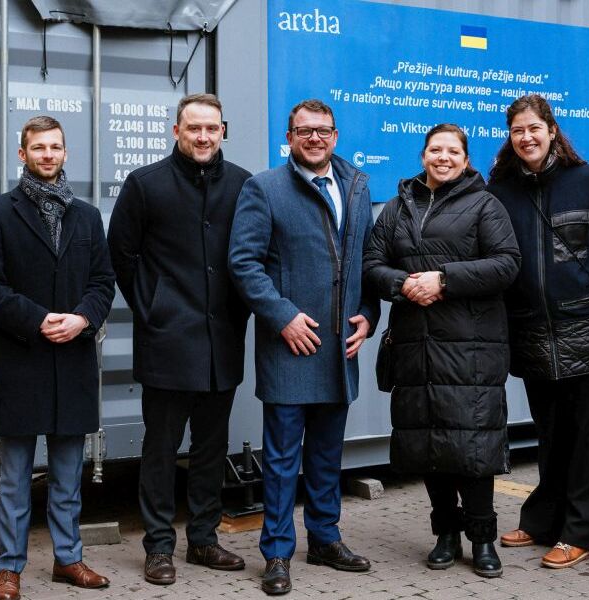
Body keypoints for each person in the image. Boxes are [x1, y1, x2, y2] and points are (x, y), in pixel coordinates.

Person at [228, 99, 380, 595]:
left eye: (323, 131)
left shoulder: (356, 185)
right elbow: (244, 264)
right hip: (290, 345)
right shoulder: (265, 188)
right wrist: (283, 317)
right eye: (304, 131)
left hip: (340, 347)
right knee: (281, 459)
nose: (314, 139)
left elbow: (366, 261)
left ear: (335, 136)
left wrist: (370, 316)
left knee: (325, 455)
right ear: (289, 137)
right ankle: (276, 552)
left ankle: (325, 538)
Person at [484, 94, 589, 570]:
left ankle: (583, 531)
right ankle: (544, 519)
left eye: (534, 128)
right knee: (551, 435)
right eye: (517, 131)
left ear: (552, 130)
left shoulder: (588, 181)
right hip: (531, 332)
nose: (526, 137)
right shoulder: (500, 190)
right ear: (510, 138)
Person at [363, 124, 521, 578]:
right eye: (436, 149)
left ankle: (484, 539)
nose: (444, 157)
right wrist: (403, 284)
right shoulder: (397, 207)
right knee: (429, 444)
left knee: (473, 446)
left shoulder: (484, 204)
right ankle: (446, 535)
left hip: (471, 347)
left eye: (453, 151)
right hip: (416, 344)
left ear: (466, 159)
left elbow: (507, 263)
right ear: (423, 154)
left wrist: (444, 280)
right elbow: (372, 264)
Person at [107, 93, 252, 585]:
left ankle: (204, 541)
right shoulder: (145, 185)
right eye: (194, 128)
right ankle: (159, 547)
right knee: (161, 448)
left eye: (212, 128)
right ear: (177, 131)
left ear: (223, 130)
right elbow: (121, 256)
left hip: (223, 341)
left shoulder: (242, 185)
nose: (204, 137)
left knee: (213, 448)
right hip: (168, 341)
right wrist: (153, 306)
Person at [0, 115, 116, 600]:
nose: (48, 154)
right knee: (14, 478)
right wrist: (38, 319)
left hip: (72, 360)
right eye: (38, 148)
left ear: (66, 153)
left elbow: (102, 282)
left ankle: (67, 560)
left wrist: (81, 319)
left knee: (68, 476)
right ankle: (9, 568)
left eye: (55, 147)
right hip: (24, 359)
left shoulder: (88, 217)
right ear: (22, 154)